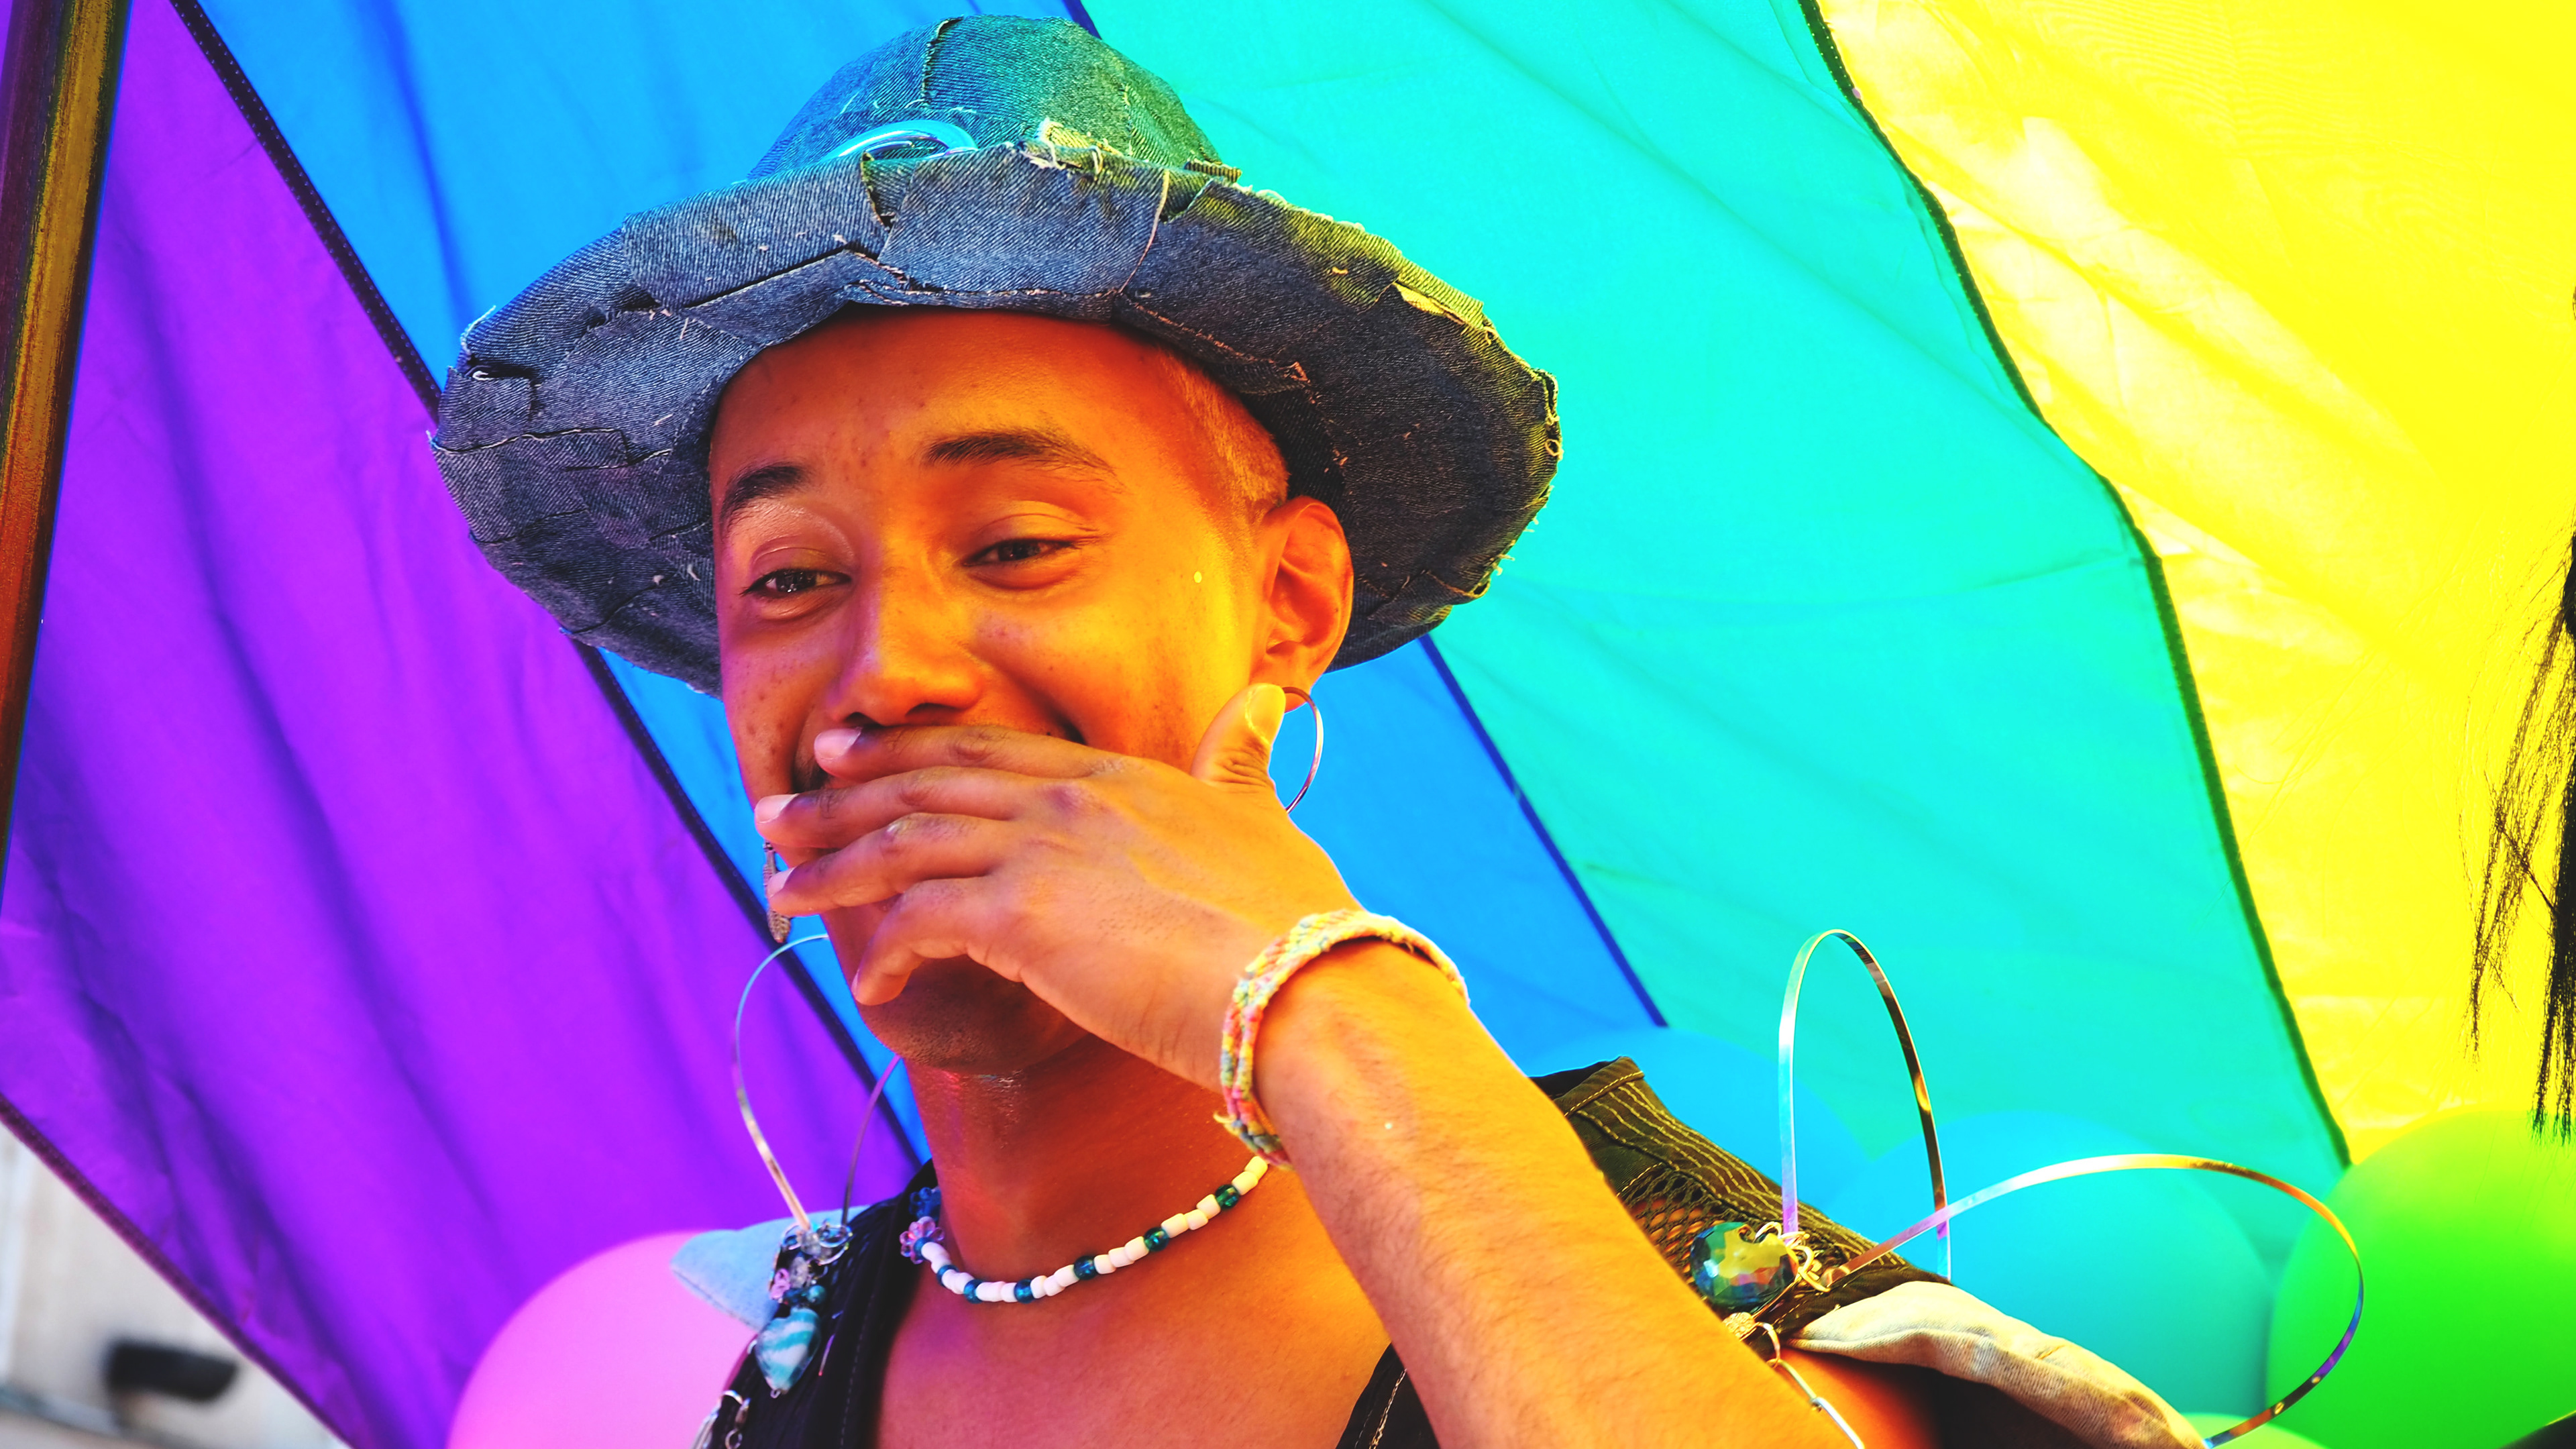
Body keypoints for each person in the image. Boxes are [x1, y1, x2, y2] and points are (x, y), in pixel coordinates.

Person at [433, 17, 2201, 1447]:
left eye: (1018, 546)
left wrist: (1314, 994)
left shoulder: (1696, 1292)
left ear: (1288, 606)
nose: (888, 670)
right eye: (793, 579)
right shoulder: (642, 1378)